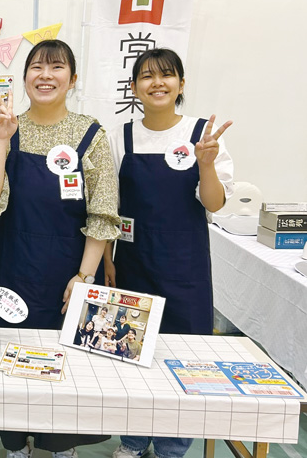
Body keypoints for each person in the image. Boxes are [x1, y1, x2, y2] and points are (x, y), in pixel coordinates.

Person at [0, 39, 120, 458]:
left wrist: (84, 276)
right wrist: (2, 139)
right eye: (36, 67)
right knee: (10, 361)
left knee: (67, 365)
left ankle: (61, 446)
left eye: (57, 67)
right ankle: (15, 445)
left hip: (70, 272)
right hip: (14, 269)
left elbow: (103, 211)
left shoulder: (90, 133)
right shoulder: (4, 127)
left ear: (72, 79)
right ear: (24, 78)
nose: (45, 75)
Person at [105, 48, 233, 458]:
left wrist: (206, 164)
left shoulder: (202, 134)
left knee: (186, 360)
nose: (157, 83)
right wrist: (107, 260)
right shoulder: (120, 136)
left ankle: (172, 447)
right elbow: (109, 205)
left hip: (185, 267)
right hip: (132, 263)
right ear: (133, 87)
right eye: (147, 76)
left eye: (166, 75)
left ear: (181, 83)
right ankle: (132, 440)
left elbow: (214, 204)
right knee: (130, 351)